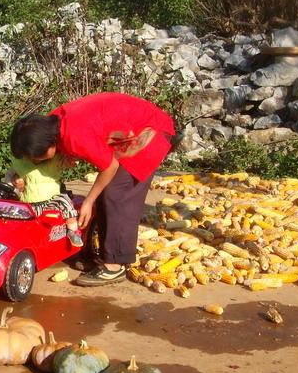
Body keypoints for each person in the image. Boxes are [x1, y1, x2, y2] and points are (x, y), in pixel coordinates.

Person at [10, 92, 175, 287]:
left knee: (117, 194)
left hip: (150, 132)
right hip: (132, 128)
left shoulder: (74, 135)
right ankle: (99, 253)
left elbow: (109, 167)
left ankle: (115, 265)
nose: (36, 161)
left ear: (49, 144)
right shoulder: (50, 123)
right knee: (106, 194)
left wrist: (88, 201)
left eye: (37, 157)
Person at [6, 154, 83, 247]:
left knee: (65, 201)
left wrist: (72, 159)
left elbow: (68, 161)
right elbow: (9, 181)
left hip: (51, 198)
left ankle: (72, 229)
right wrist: (15, 182)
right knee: (16, 214)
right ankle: (17, 237)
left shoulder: (55, 160)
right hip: (30, 202)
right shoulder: (20, 163)